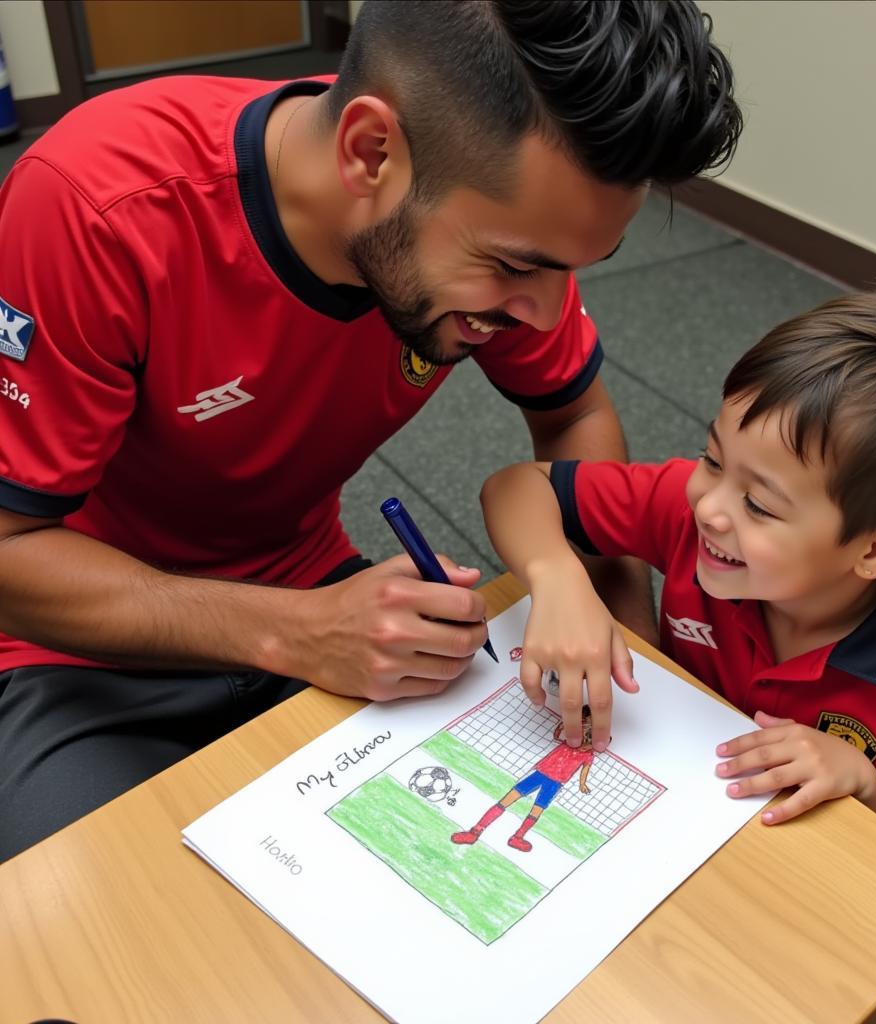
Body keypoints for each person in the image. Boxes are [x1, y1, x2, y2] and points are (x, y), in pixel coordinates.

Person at [0, 1, 743, 861]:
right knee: (120, 953)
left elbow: (573, 411)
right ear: (369, 154)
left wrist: (608, 615)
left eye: (572, 268)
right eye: (512, 267)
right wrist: (293, 631)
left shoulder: (507, 225)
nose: (545, 309)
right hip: (74, 649)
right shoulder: (97, 207)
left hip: (319, 593)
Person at [480, 279, 876, 869]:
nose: (710, 505)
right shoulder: (693, 515)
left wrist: (864, 788)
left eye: (760, 506)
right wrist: (558, 579)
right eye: (712, 459)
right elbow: (515, 487)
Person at [452, 706, 597, 853]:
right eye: (585, 740)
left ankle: (517, 837)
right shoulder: (569, 742)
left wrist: (582, 784)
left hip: (554, 784)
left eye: (589, 744)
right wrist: (564, 725)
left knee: (536, 811)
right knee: (506, 801)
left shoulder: (588, 755)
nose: (585, 746)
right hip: (539, 775)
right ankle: (475, 832)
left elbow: (585, 769)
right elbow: (556, 734)